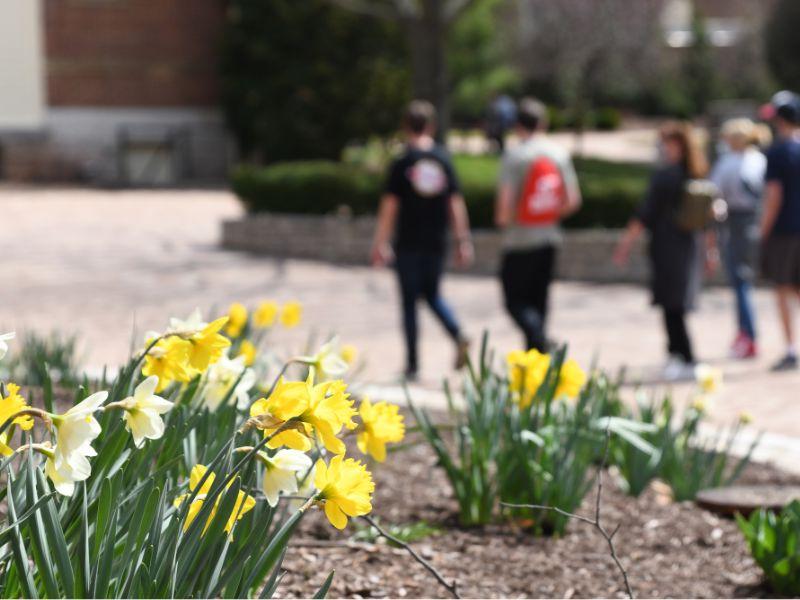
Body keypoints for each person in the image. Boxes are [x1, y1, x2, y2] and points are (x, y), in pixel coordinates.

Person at [371, 100, 473, 381]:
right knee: (432, 294)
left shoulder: (402, 163)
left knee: (408, 303)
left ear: (405, 126)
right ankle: (457, 332)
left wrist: (380, 242)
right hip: (436, 242)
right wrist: (463, 240)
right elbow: (455, 204)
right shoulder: (442, 160)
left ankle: (413, 364)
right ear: (431, 126)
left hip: (408, 243)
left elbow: (389, 208)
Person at [614, 122, 717, 380]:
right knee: (677, 302)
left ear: (677, 145)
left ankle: (682, 356)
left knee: (672, 304)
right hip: (689, 246)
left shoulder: (666, 176)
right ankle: (680, 355)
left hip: (667, 246)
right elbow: (709, 220)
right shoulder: (697, 174)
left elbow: (644, 214)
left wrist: (625, 244)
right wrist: (710, 251)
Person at [494, 97, 582, 352]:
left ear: (516, 124)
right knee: (539, 302)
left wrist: (510, 221)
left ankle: (540, 342)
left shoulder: (515, 156)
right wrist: (547, 216)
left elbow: (504, 209)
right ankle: (538, 364)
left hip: (519, 240)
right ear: (543, 123)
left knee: (514, 301)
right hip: (549, 237)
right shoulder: (558, 154)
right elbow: (573, 201)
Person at [710, 118, 770, 359]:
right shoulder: (761, 160)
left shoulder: (728, 162)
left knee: (740, 282)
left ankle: (748, 335)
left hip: (736, 224)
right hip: (760, 221)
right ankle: (745, 333)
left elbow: (713, 194)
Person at [758, 91, 800, 371]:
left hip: (784, 230)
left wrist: (763, 231)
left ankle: (790, 348)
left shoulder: (777, 152)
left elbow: (774, 196)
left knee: (783, 289)